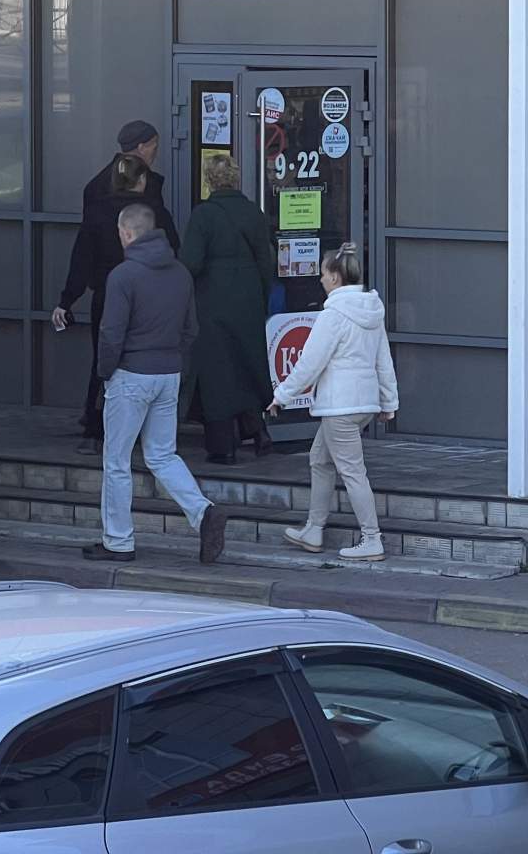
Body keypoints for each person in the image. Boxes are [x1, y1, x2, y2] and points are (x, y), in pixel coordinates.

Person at [84, 203, 228, 566]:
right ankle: (204, 512)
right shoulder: (180, 273)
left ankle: (118, 541)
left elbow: (111, 334)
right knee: (163, 455)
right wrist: (172, 359)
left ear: (126, 233)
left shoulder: (123, 275)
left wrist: (105, 373)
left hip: (130, 375)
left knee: (117, 460)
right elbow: (191, 328)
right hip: (168, 373)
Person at [270, 243, 397, 563]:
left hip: (339, 406)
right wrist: (388, 401)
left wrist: (281, 396)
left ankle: (372, 539)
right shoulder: (372, 310)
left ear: (336, 278)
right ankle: (313, 529)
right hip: (362, 404)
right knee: (320, 460)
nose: (321, 279)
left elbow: (309, 364)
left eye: (324, 274)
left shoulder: (333, 315)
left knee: (352, 472)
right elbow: (383, 360)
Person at [179, 156, 276, 464]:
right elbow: (266, 262)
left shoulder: (203, 215)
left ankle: (224, 446)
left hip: (212, 300)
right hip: (248, 296)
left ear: (209, 181)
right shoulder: (254, 213)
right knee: (247, 363)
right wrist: (261, 298)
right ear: (236, 178)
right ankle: (258, 428)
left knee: (217, 371)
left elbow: (190, 263)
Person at [52, 153, 150, 455]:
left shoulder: (96, 212)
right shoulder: (151, 212)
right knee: (143, 360)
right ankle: (140, 430)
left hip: (106, 297)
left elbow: (81, 260)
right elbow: (172, 249)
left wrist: (66, 300)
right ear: (141, 180)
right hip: (145, 295)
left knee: (104, 361)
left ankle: (95, 429)